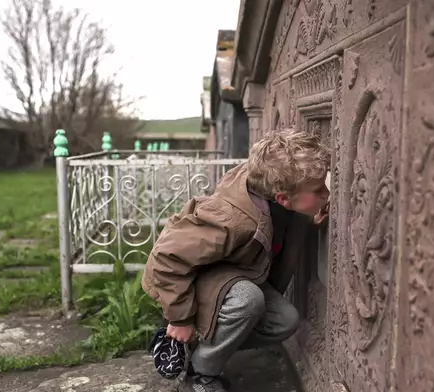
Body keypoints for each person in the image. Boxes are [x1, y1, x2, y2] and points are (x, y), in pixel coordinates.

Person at [142, 129, 331, 392]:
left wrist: (311, 221)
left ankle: (202, 347)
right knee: (248, 300)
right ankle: (202, 374)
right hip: (205, 282)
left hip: (237, 275)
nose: (326, 194)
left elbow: (281, 229)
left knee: (285, 320)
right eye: (319, 189)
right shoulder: (231, 220)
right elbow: (166, 258)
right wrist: (180, 319)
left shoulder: (275, 184)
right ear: (283, 199)